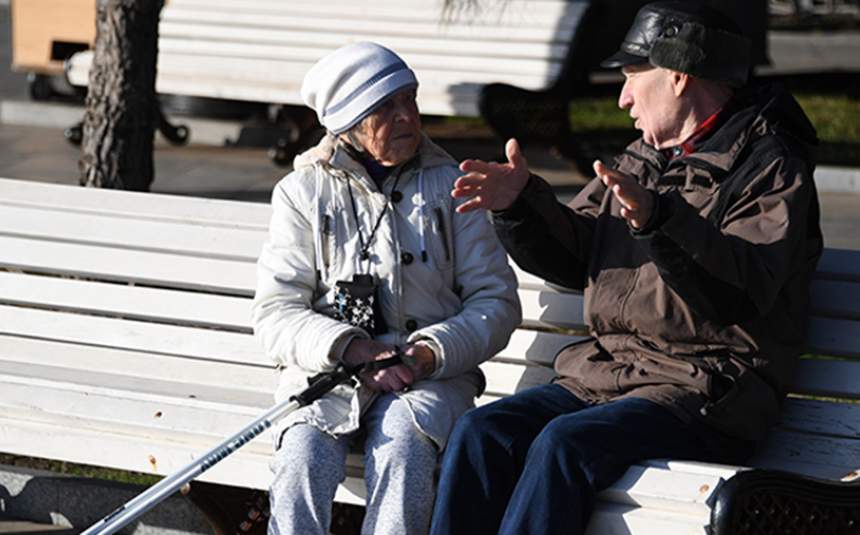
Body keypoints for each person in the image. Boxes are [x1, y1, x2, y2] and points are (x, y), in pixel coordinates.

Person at [429, 2, 823, 534]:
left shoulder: (770, 169)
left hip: (707, 390)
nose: (623, 98)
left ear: (679, 76)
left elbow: (739, 296)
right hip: (615, 376)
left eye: (633, 75)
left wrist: (663, 221)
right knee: (482, 431)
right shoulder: (642, 158)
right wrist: (520, 204)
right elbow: (575, 260)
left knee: (564, 444)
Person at [252, 41, 521, 535]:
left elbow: (495, 302)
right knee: (302, 459)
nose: (406, 117)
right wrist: (351, 348)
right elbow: (275, 312)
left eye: (410, 100)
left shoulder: (452, 186)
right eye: (385, 107)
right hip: (329, 374)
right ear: (348, 122)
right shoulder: (302, 192)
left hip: (430, 377)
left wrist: (426, 355)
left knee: (405, 449)